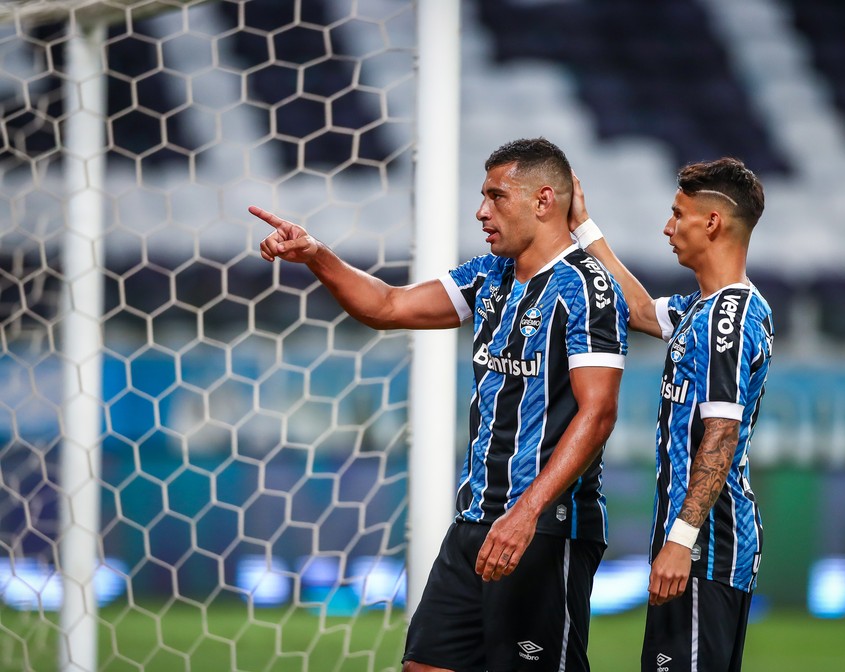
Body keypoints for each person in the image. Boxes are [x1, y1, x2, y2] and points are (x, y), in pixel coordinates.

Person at [250, 137, 629, 671]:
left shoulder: (587, 288)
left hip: (544, 527)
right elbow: (387, 305)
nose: (481, 212)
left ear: (543, 200)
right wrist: (316, 255)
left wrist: (526, 512)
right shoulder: (490, 275)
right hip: (476, 519)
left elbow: (599, 413)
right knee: (424, 664)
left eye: (496, 196)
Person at [567, 158, 772, 672]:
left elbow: (720, 435)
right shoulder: (705, 309)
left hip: (707, 547)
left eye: (678, 214)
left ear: (712, 223)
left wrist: (681, 542)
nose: (667, 227)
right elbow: (637, 310)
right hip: (700, 544)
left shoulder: (727, 321)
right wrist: (583, 227)